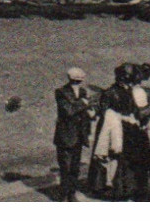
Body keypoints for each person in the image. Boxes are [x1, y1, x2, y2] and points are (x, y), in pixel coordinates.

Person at [54, 67, 95, 201]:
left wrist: (90, 114)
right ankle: (63, 194)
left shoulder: (82, 92)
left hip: (78, 134)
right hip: (66, 135)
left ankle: (71, 193)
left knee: (75, 167)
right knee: (65, 167)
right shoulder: (61, 92)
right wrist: (83, 103)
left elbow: (83, 111)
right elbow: (68, 111)